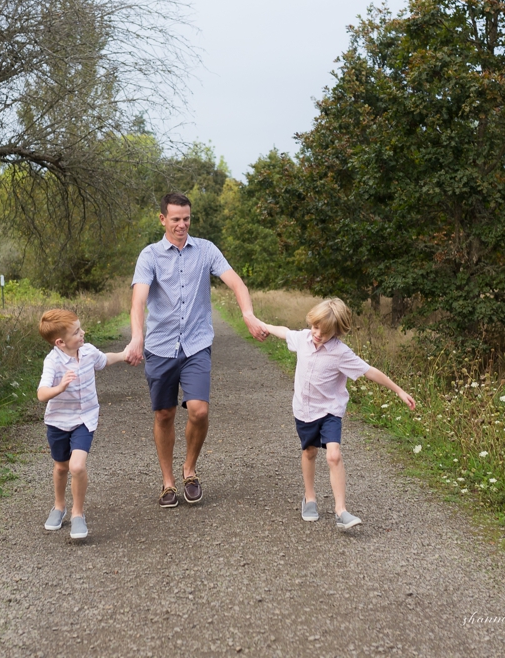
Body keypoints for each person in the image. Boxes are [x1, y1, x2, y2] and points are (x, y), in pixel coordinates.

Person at [126, 192, 268, 508]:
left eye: (186, 218)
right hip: (160, 347)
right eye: (175, 219)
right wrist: (137, 337)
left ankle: (189, 470)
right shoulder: (149, 255)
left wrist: (247, 314)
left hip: (196, 345)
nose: (182, 224)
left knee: (199, 410)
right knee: (164, 413)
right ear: (162, 219)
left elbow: (236, 283)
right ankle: (168, 483)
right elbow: (138, 300)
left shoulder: (205, 250)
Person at [256, 298, 415, 529]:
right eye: (315, 327)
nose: (317, 334)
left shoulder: (341, 353)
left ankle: (341, 510)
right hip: (304, 409)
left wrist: (399, 390)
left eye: (325, 331)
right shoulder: (303, 339)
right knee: (309, 452)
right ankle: (309, 498)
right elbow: (285, 332)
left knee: (333, 455)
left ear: (337, 331)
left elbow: (369, 371)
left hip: (330, 410)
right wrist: (264, 326)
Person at [36, 309, 129, 540]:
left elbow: (104, 360)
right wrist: (60, 388)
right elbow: (41, 393)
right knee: (61, 467)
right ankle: (59, 507)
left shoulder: (87, 352)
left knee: (76, 466)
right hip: (58, 422)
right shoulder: (53, 361)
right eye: (77, 332)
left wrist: (124, 354)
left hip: (84, 420)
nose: (82, 333)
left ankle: (78, 513)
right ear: (60, 342)